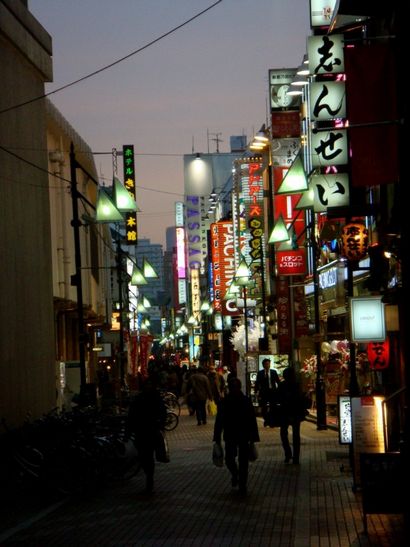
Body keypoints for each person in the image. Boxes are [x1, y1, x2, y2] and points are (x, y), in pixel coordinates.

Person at [213, 377, 260, 495]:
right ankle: (239, 478)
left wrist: (217, 437)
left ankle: (240, 481)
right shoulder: (230, 401)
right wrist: (253, 437)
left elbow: (220, 420)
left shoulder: (241, 400)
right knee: (237, 460)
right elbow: (251, 420)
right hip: (239, 434)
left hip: (234, 434)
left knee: (235, 459)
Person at [126, 376, 168, 493]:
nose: (149, 387)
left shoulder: (156, 398)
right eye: (147, 385)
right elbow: (131, 416)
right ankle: (149, 474)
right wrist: (128, 431)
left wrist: (160, 424)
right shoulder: (139, 398)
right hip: (141, 431)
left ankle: (150, 478)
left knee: (148, 456)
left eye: (150, 385)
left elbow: (163, 414)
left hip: (151, 432)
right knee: (144, 456)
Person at [276, 367, 311, 465]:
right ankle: (296, 457)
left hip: (285, 412)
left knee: (283, 434)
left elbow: (278, 398)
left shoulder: (282, 385)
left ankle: (288, 454)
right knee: (296, 436)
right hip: (296, 413)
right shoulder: (296, 385)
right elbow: (299, 399)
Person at [254, 358, 280, 426]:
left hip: (272, 392)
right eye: (266, 364)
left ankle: (271, 421)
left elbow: (278, 381)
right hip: (264, 392)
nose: (267, 365)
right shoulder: (260, 373)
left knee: (273, 407)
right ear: (263, 365)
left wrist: (279, 390)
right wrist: (256, 391)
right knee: (264, 408)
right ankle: (266, 419)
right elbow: (257, 383)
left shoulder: (273, 372)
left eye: (268, 364)